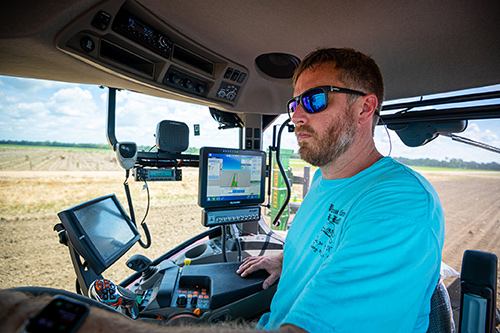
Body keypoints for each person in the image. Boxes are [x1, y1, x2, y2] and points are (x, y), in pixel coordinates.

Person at [237, 47, 445, 332]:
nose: (296, 116)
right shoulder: (326, 179)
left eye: (313, 100)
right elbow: (320, 245)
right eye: (294, 103)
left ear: (364, 108)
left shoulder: (401, 204)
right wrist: (284, 260)